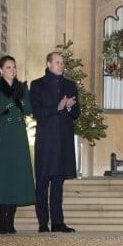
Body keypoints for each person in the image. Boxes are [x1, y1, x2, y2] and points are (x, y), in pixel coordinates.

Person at [0, 56, 36, 234]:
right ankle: (2, 220)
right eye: (8, 67)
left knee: (16, 176)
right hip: (4, 134)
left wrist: (20, 100)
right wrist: (9, 102)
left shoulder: (22, 88)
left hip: (19, 135)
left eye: (14, 67)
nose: (12, 70)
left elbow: (29, 110)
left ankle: (11, 220)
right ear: (0, 70)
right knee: (2, 177)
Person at [30, 51, 80, 233]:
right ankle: (43, 223)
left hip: (63, 140)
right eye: (57, 62)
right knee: (43, 183)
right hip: (46, 141)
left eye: (62, 62)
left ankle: (58, 222)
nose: (61, 65)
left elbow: (76, 114)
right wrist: (57, 107)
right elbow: (36, 111)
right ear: (49, 64)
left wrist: (69, 107)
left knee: (58, 183)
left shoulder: (70, 85)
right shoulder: (37, 85)